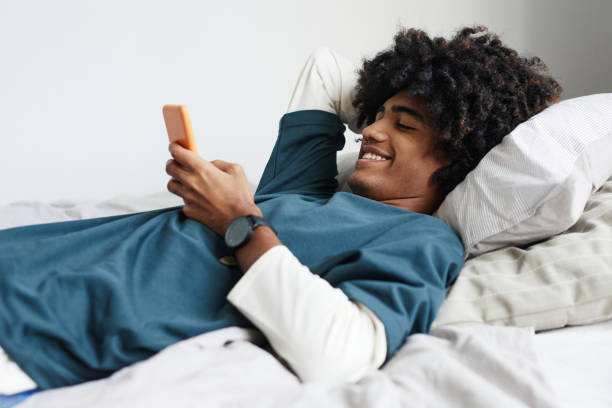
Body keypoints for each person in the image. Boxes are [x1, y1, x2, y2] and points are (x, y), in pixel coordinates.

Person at [0, 25, 562, 391]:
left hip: (36, 326)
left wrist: (239, 221)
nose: (369, 130)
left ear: (457, 156)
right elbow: (326, 69)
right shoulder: (304, 186)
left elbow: (344, 353)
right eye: (376, 113)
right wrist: (405, 90)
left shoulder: (421, 240)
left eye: (404, 124)